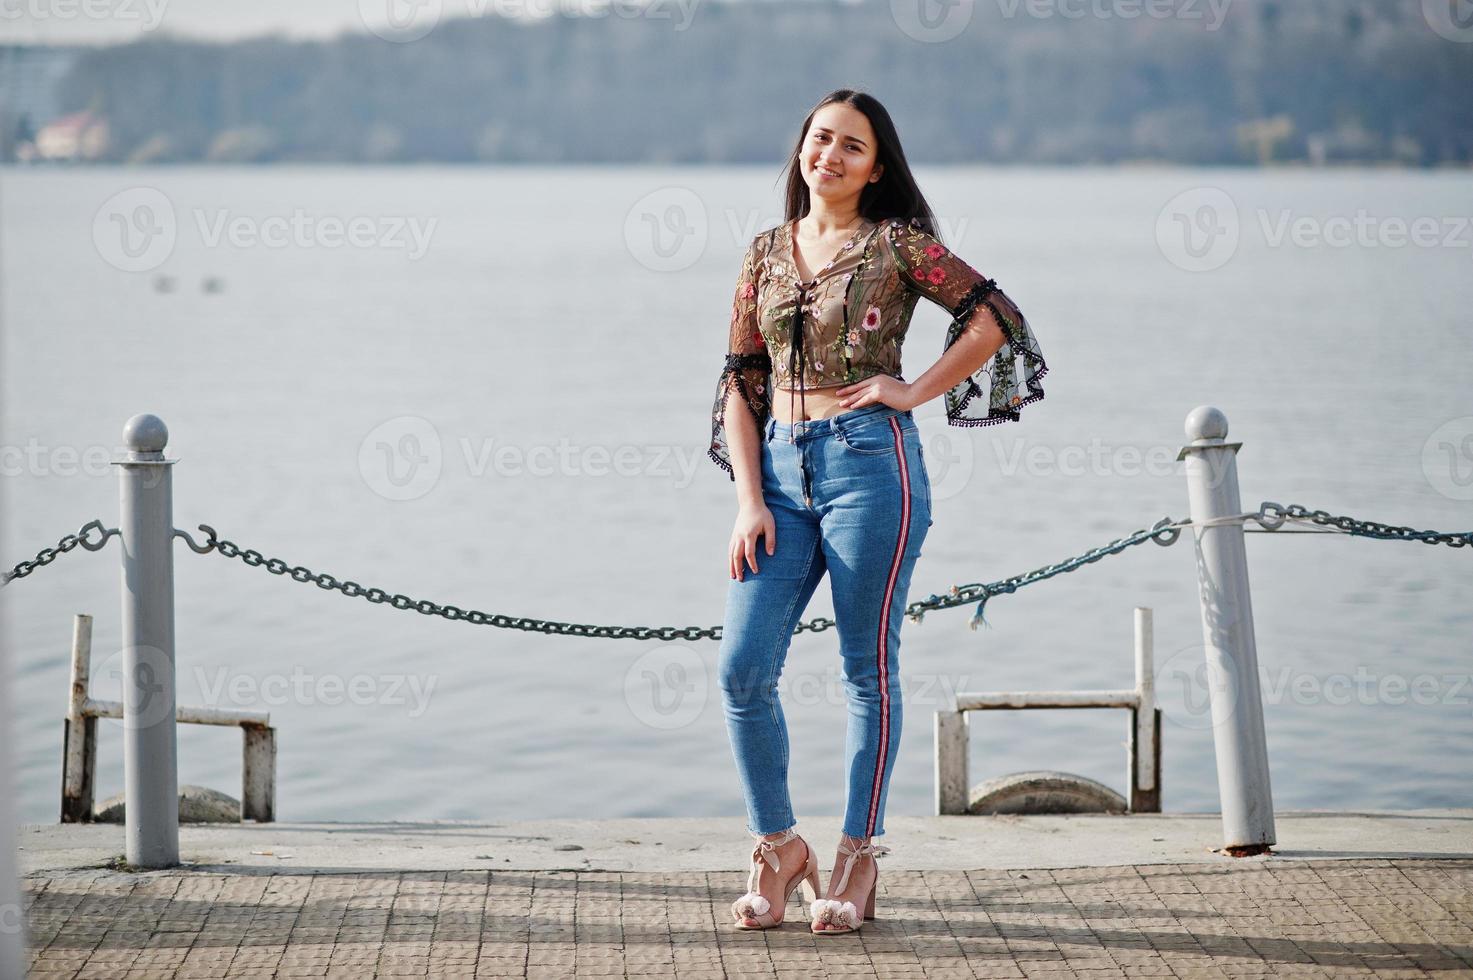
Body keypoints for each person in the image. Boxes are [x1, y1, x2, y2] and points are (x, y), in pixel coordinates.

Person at [709, 89, 1048, 935]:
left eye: (851, 146)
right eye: (820, 139)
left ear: (876, 166)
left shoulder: (897, 246)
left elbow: (992, 318)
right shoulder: (764, 252)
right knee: (742, 673)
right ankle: (779, 848)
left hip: (870, 467)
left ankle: (857, 858)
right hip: (779, 477)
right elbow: (739, 384)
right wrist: (749, 499)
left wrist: (912, 390)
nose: (829, 155)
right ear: (802, 149)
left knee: (867, 671)